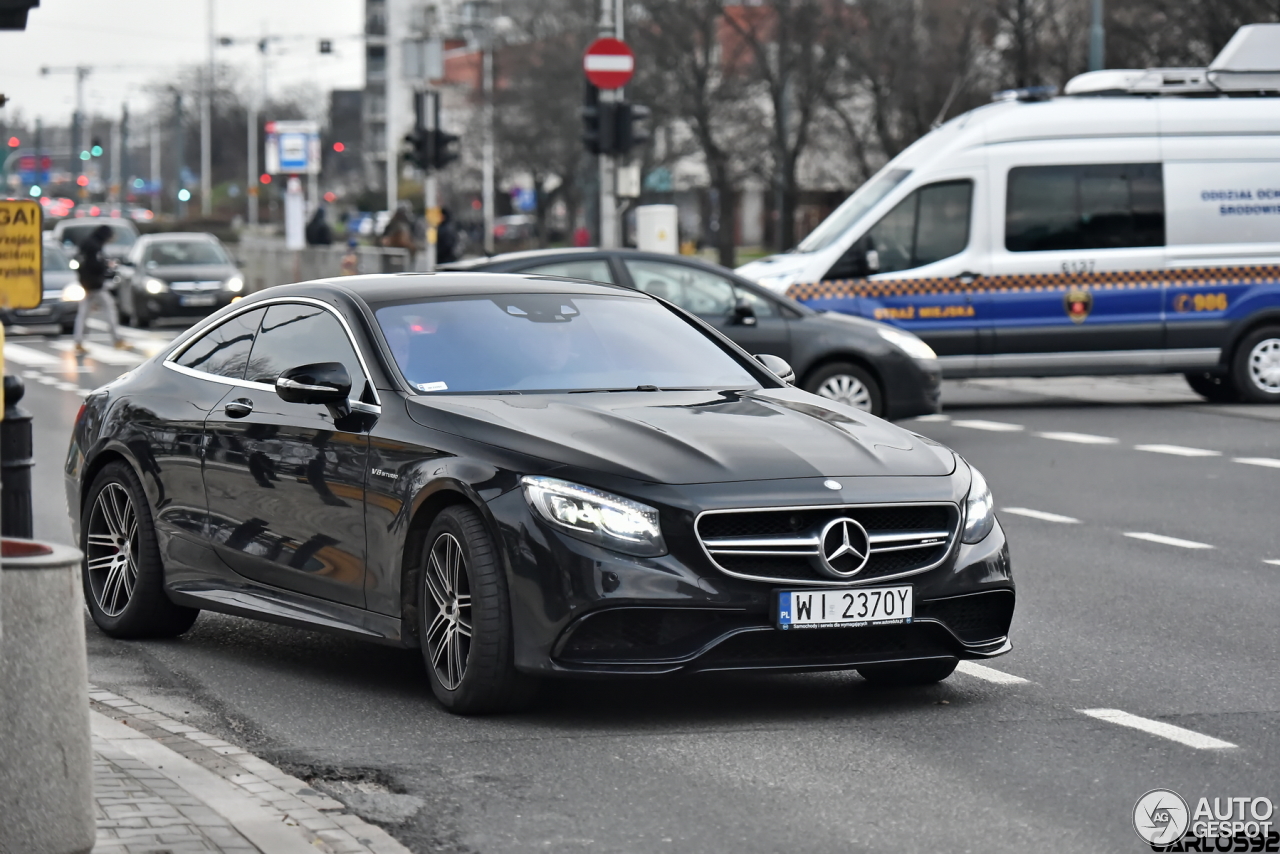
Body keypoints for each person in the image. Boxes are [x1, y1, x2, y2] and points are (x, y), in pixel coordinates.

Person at [73, 224, 126, 353]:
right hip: (95, 285)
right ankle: (117, 339)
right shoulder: (95, 246)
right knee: (109, 308)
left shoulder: (86, 244)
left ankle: (78, 341)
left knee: (83, 313)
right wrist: (106, 265)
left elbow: (79, 262)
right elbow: (95, 265)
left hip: (85, 283)